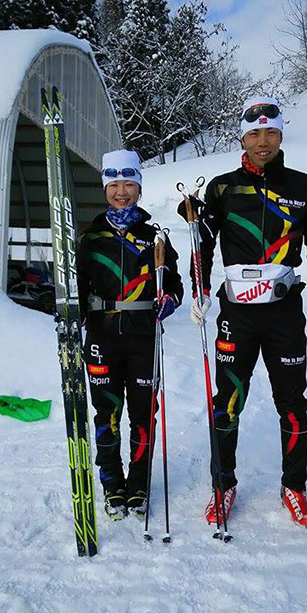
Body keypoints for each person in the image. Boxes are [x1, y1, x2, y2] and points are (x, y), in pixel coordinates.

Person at [179, 96, 307, 528]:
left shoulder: (305, 187)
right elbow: (202, 242)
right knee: (227, 402)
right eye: (254, 133)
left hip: (284, 311)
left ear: (280, 135)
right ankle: (223, 485)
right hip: (238, 313)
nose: (262, 141)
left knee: (292, 403)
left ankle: (294, 488)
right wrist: (199, 289)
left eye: (270, 132)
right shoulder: (222, 188)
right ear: (242, 139)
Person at [78, 150, 183, 520]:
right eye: (114, 185)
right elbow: (77, 287)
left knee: (143, 414)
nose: (121, 192)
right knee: (106, 414)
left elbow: (174, 284)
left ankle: (138, 484)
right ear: (105, 188)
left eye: (129, 184)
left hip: (143, 338)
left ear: (139, 187)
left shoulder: (155, 237)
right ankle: (112, 483)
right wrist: (71, 316)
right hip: (102, 338)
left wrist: (169, 300)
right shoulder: (90, 238)